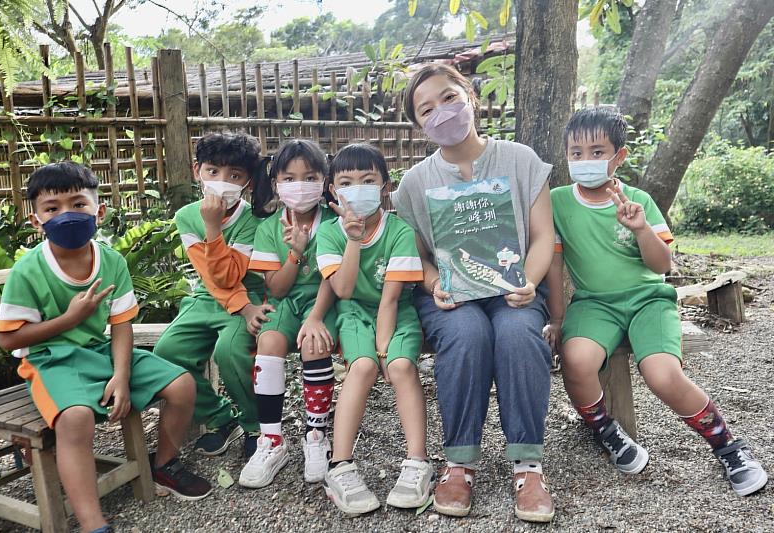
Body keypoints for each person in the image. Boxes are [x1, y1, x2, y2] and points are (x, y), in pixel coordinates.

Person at [545, 106, 768, 496]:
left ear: (619, 156)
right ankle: (606, 431)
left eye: (597, 152)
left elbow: (662, 264)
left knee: (662, 374)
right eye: (575, 153)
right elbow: (554, 259)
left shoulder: (638, 201)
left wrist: (640, 228)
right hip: (594, 303)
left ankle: (728, 446)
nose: (585, 161)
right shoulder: (558, 202)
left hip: (649, 299)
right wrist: (558, 319)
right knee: (576, 361)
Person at [0, 162, 210, 533]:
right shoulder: (27, 271)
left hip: (101, 351)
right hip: (50, 360)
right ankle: (93, 522)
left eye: (78, 204)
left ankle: (164, 465)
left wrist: (122, 376)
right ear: (36, 220)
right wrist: (70, 319)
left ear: (100, 210)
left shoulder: (111, 261)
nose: (67, 214)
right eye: (52, 208)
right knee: (75, 419)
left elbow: (121, 323)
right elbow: (9, 339)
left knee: (182, 385)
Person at [391, 63, 556, 522]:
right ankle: (459, 462)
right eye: (426, 109)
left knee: (520, 334)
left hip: (514, 288)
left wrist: (529, 280)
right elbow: (416, 256)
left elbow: (543, 236)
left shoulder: (520, 160)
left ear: (470, 97)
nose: (441, 112)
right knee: (465, 335)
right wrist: (433, 282)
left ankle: (527, 464)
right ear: (418, 125)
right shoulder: (414, 184)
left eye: (448, 98)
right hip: (451, 295)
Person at [317, 143, 433, 516]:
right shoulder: (330, 233)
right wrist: (353, 240)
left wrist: (385, 348)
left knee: (399, 367)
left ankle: (418, 462)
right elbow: (345, 291)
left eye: (368, 180)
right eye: (347, 181)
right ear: (333, 189)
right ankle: (340, 465)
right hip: (352, 313)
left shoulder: (399, 230)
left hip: (397, 312)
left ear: (385, 186)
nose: (358, 188)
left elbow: (391, 298)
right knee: (362, 367)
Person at [154, 132, 274, 458]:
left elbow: (231, 275)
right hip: (209, 297)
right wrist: (210, 227)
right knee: (167, 351)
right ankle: (221, 418)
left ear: (247, 180)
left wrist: (247, 306)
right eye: (213, 172)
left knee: (231, 351)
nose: (222, 182)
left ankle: (256, 425)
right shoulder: (186, 217)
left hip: (250, 294)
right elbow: (211, 277)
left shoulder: (253, 219)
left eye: (234, 175)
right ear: (197, 171)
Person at [240, 139, 338, 487]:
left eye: (310, 176)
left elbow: (335, 279)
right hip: (285, 301)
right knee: (268, 341)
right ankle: (272, 439)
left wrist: (315, 317)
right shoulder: (269, 228)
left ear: (325, 180)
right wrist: (295, 253)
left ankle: (316, 435)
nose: (300, 185)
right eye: (290, 177)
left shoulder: (333, 222)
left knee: (315, 345)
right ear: (277, 182)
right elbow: (277, 288)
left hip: (327, 300)